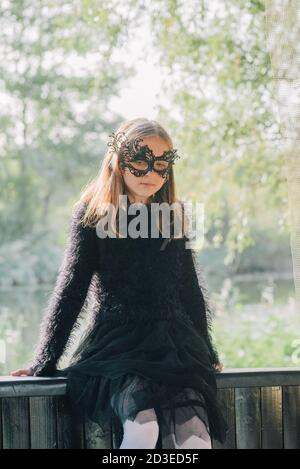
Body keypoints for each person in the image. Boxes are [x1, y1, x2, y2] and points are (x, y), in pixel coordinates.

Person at [10, 117, 228, 449]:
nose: (151, 174)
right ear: (119, 161)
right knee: (144, 430)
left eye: (161, 165)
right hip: (120, 345)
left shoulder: (173, 215)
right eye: (140, 161)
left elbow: (189, 290)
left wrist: (207, 348)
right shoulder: (94, 215)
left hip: (175, 345)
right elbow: (72, 289)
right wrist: (45, 360)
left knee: (196, 440)